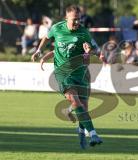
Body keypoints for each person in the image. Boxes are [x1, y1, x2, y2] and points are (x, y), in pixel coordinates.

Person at [31, 5, 104, 149]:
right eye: (74, 20)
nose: (77, 22)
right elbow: (47, 38)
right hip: (63, 73)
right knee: (77, 103)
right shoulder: (57, 28)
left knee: (83, 106)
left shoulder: (83, 33)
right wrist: (39, 51)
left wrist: (89, 52)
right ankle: (94, 134)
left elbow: (88, 58)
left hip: (80, 73)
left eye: (79, 19)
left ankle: (78, 126)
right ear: (66, 18)